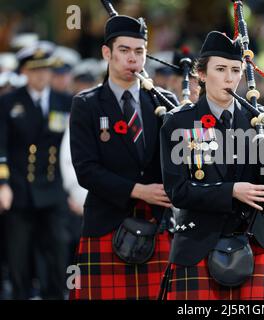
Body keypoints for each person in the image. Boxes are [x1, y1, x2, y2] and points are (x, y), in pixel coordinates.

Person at [160, 31, 264, 300]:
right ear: (201, 74)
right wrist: (231, 191)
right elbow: (177, 191)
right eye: (221, 69)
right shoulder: (178, 123)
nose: (229, 77)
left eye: (236, 70)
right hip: (197, 244)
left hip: (254, 242)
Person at [69, 14, 178, 300]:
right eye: (124, 50)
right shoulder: (86, 104)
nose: (133, 59)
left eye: (139, 51)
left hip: (158, 225)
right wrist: (139, 191)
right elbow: (86, 170)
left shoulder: (166, 102)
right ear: (107, 53)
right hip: (106, 222)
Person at [0, 42, 71, 299]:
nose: (42, 75)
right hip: (20, 189)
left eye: (46, 70)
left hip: (52, 187)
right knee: (19, 255)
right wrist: (3, 184)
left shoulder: (65, 102)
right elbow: (1, 146)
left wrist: (75, 188)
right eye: (35, 70)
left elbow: (71, 149)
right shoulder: (9, 103)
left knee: (57, 249)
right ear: (25, 72)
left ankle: (54, 294)